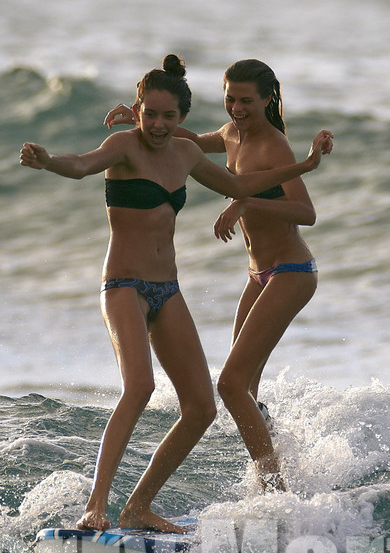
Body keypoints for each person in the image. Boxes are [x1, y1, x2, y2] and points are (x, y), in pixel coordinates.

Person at [20, 54, 333, 532]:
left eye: (170, 116)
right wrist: (51, 161)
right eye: (151, 114)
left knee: (214, 398)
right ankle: (97, 507)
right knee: (162, 388)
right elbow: (83, 165)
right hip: (130, 284)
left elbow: (246, 186)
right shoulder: (138, 144)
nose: (160, 125)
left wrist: (305, 165)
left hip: (210, 283)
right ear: (140, 110)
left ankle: (167, 503)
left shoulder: (223, 149)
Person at [104, 59, 325, 491]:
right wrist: (143, 117)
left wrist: (246, 203)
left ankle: (275, 491)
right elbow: (188, 140)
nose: (237, 108)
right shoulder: (230, 134)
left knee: (229, 384)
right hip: (258, 275)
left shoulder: (273, 145)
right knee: (245, 391)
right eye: (230, 98)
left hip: (292, 271)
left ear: (267, 99)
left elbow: (307, 213)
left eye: (247, 100)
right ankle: (282, 462)